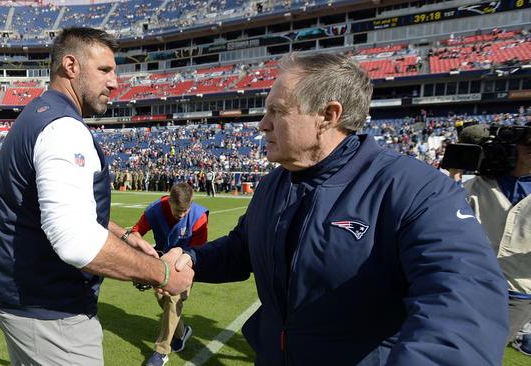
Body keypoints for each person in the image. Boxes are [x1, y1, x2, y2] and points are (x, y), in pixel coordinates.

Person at [168, 53, 509, 365]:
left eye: (277, 110)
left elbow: (464, 306)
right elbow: (244, 247)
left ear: (328, 116)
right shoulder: (275, 183)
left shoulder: (415, 189)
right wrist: (193, 259)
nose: (262, 124)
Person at [0, 27, 193, 366]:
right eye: (105, 70)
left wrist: (121, 234)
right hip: (49, 311)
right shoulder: (63, 129)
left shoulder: (40, 114)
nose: (115, 83)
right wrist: (162, 274)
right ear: (71, 65)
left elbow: (58, 204)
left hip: (17, 294)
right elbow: (75, 241)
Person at [458, 123, 531, 354]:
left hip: (516, 292)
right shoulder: (477, 185)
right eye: (526, 142)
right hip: (469, 281)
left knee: (483, 353)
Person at [130, 182, 208, 366]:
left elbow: (201, 250)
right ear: (169, 200)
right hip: (161, 263)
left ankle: (161, 351)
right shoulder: (155, 210)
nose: (181, 216)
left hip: (185, 263)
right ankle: (182, 333)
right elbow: (135, 232)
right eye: (176, 211)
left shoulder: (198, 216)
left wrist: (180, 257)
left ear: (191, 203)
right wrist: (145, 256)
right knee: (163, 299)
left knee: (173, 298)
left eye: (185, 212)